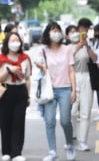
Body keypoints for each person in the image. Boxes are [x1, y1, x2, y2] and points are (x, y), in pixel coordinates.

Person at [36, 21, 76, 161]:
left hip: (65, 89)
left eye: (58, 30)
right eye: (53, 30)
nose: (56, 33)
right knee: (49, 121)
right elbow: (41, 68)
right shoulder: (43, 51)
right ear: (47, 33)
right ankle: (52, 151)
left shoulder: (67, 49)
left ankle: (70, 144)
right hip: (49, 90)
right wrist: (40, 66)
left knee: (65, 121)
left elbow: (71, 70)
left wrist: (74, 90)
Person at [0, 32, 32, 161]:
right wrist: (9, 70)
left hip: (20, 91)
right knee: (5, 121)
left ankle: (16, 152)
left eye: (17, 40)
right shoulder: (1, 59)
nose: (15, 43)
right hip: (5, 90)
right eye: (12, 40)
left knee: (18, 122)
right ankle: (6, 151)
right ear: (7, 43)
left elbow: (28, 78)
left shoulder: (25, 58)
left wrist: (28, 95)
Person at [67, 20, 97, 152]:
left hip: (86, 77)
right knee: (72, 111)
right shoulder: (66, 48)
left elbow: (95, 59)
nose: (75, 34)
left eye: (76, 32)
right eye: (72, 32)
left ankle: (82, 141)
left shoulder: (87, 45)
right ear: (67, 35)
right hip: (72, 79)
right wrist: (77, 48)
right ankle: (71, 136)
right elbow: (65, 62)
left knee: (85, 112)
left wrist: (87, 47)